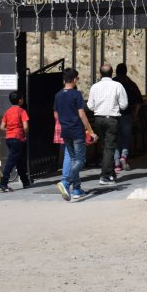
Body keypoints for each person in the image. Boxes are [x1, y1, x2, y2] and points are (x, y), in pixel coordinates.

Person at [53, 68, 96, 202]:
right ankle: (66, 183)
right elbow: (82, 114)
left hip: (65, 132)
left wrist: (65, 122)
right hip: (77, 131)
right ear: (74, 79)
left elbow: (56, 114)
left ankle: (77, 189)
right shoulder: (76, 94)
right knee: (80, 160)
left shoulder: (58, 95)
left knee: (72, 160)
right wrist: (91, 130)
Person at [87, 63, 124, 186]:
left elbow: (90, 106)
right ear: (112, 72)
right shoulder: (117, 86)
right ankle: (105, 176)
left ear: (100, 73)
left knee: (106, 147)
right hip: (112, 119)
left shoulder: (94, 87)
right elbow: (124, 104)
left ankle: (111, 173)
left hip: (98, 119)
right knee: (109, 147)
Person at [0, 91, 31, 192]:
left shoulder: (8, 112)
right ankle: (3, 184)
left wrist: (10, 130)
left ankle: (25, 182)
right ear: (20, 100)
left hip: (9, 139)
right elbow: (25, 127)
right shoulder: (22, 111)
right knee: (11, 161)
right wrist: (24, 132)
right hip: (18, 139)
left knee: (18, 160)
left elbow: (2, 127)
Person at [113, 63, 142, 172]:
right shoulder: (130, 83)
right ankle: (123, 157)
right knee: (126, 137)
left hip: (113, 115)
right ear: (126, 71)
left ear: (116, 71)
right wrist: (135, 115)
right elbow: (138, 101)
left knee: (115, 138)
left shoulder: (112, 83)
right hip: (127, 114)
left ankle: (116, 164)